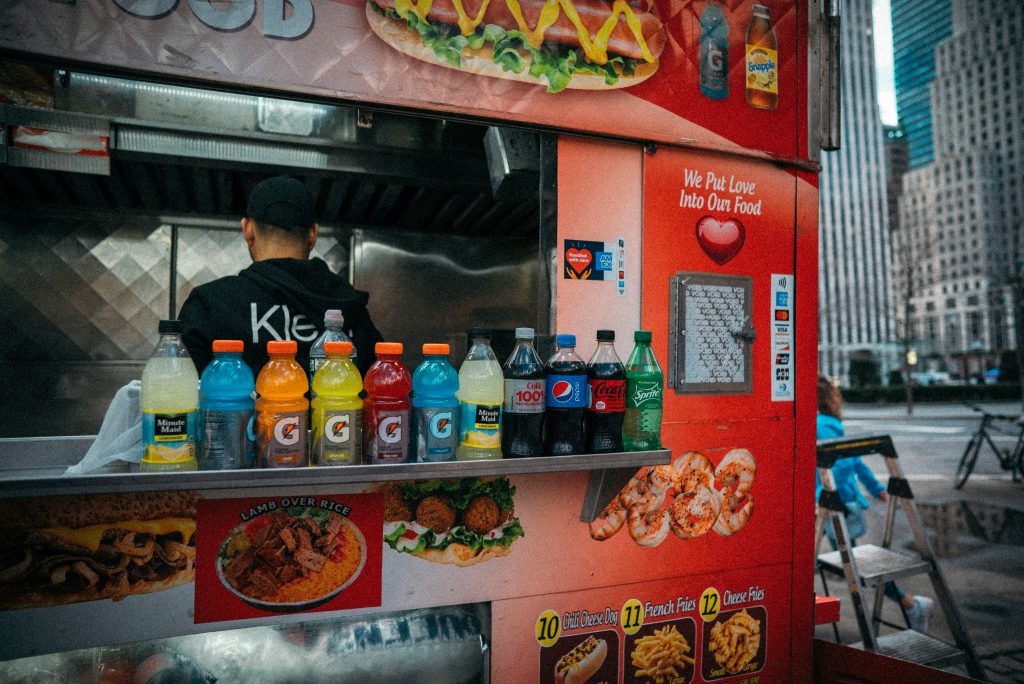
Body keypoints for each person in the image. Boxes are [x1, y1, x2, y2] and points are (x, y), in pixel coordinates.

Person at [179, 176, 382, 376]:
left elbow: (182, 397)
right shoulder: (351, 308)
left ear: (248, 230)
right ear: (313, 234)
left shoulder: (208, 304)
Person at [815, 375, 935, 633]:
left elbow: (844, 463)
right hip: (832, 501)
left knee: (853, 566)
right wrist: (874, 487)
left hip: (833, 504)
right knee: (845, 564)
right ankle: (911, 605)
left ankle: (912, 604)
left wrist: (818, 495)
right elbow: (853, 459)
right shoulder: (829, 422)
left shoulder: (819, 424)